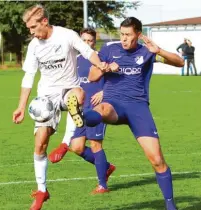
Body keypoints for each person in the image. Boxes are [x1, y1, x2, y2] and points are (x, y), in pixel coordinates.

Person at [67, 17, 184, 210]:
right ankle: (81, 117)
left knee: (156, 159)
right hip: (113, 103)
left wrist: (159, 51)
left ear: (138, 34)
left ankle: (171, 205)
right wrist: (104, 67)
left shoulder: (147, 51)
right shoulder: (110, 49)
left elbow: (179, 62)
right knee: (102, 109)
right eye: (121, 34)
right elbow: (92, 76)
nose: (124, 39)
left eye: (128, 35)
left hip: (138, 108)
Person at [12, 5, 107, 210]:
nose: (31, 31)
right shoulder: (34, 46)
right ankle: (42, 190)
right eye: (28, 28)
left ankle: (66, 140)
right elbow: (28, 77)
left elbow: (88, 52)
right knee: (40, 144)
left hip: (68, 89)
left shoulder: (67, 35)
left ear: (44, 21)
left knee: (78, 95)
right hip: (46, 97)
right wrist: (20, 106)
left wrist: (99, 64)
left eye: (33, 26)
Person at [48, 28, 116, 194]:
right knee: (76, 147)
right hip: (79, 111)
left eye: (90, 41)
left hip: (98, 109)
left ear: (94, 41)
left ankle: (102, 185)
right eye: (84, 40)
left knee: (95, 144)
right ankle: (106, 167)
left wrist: (104, 93)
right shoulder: (74, 61)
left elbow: (116, 83)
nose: (87, 44)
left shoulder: (101, 59)